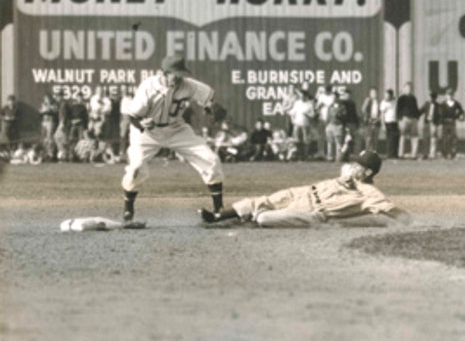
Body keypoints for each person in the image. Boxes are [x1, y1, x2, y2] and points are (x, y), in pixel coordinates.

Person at [121, 54, 226, 223]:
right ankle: (128, 211)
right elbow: (132, 116)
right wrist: (142, 124)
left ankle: (219, 209)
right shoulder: (148, 87)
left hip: (177, 129)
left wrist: (211, 108)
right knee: (137, 166)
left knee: (210, 159)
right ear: (163, 73)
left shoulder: (189, 86)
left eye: (181, 75)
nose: (178, 79)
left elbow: (208, 98)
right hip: (147, 132)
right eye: (174, 75)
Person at [199, 150, 412, 228]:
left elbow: (391, 209)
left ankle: (247, 220)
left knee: (264, 218)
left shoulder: (370, 195)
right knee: (262, 200)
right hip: (303, 192)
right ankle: (217, 216)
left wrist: (413, 223)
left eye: (359, 165)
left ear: (367, 173)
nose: (353, 165)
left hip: (313, 212)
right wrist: (352, 173)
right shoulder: (349, 173)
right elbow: (347, 170)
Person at [396, 81, 420, 159]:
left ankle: (414, 154)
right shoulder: (401, 98)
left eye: (410, 88)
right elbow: (398, 109)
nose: (408, 89)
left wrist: (416, 118)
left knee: (414, 137)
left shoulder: (413, 98)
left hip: (413, 119)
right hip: (404, 118)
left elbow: (416, 109)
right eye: (407, 88)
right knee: (402, 136)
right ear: (404, 89)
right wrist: (399, 119)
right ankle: (401, 154)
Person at [439, 89, 464, 159]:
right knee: (445, 138)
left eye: (451, 95)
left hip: (452, 122)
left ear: (453, 95)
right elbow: (440, 113)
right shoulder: (443, 104)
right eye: (448, 95)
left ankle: (453, 153)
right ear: (446, 96)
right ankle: (445, 153)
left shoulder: (456, 103)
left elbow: (461, 111)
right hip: (445, 122)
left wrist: (456, 116)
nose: (449, 96)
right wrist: (441, 121)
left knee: (453, 138)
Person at [324, 90, 345, 162]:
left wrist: (338, 114)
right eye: (332, 97)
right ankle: (330, 157)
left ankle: (338, 158)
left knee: (338, 143)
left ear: (338, 98)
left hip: (338, 125)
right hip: (330, 124)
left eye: (335, 97)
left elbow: (344, 116)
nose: (334, 99)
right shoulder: (330, 106)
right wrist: (327, 124)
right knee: (329, 142)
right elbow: (327, 116)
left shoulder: (342, 106)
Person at [380, 88, 399, 159]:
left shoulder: (394, 101)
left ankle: (395, 154)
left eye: (387, 95)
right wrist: (383, 125)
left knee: (396, 138)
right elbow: (382, 114)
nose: (386, 97)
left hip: (395, 122)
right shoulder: (383, 103)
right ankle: (390, 154)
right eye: (385, 95)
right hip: (388, 122)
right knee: (390, 139)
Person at [419, 92, 439, 160]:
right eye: (430, 97)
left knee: (433, 139)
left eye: (432, 97)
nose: (431, 98)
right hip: (427, 122)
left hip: (433, 123)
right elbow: (421, 111)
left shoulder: (437, 105)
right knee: (425, 139)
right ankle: (425, 153)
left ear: (435, 98)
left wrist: (438, 123)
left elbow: (440, 115)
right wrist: (416, 115)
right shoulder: (427, 104)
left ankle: (432, 154)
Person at [361, 86, 381, 152]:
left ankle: (374, 152)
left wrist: (378, 119)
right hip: (369, 122)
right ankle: (368, 152)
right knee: (368, 138)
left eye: (375, 93)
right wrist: (368, 118)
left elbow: (381, 111)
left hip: (376, 121)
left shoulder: (379, 101)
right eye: (372, 93)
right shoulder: (368, 100)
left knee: (375, 138)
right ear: (370, 93)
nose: (374, 94)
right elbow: (363, 109)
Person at [39, 93, 58, 161]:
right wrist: (43, 110)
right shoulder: (43, 104)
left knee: (49, 137)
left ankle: (51, 153)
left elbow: (55, 111)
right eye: (45, 99)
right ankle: (45, 152)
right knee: (44, 137)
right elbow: (41, 112)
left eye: (48, 99)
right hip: (44, 121)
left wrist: (49, 109)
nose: (47, 100)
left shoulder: (54, 104)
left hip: (50, 121)